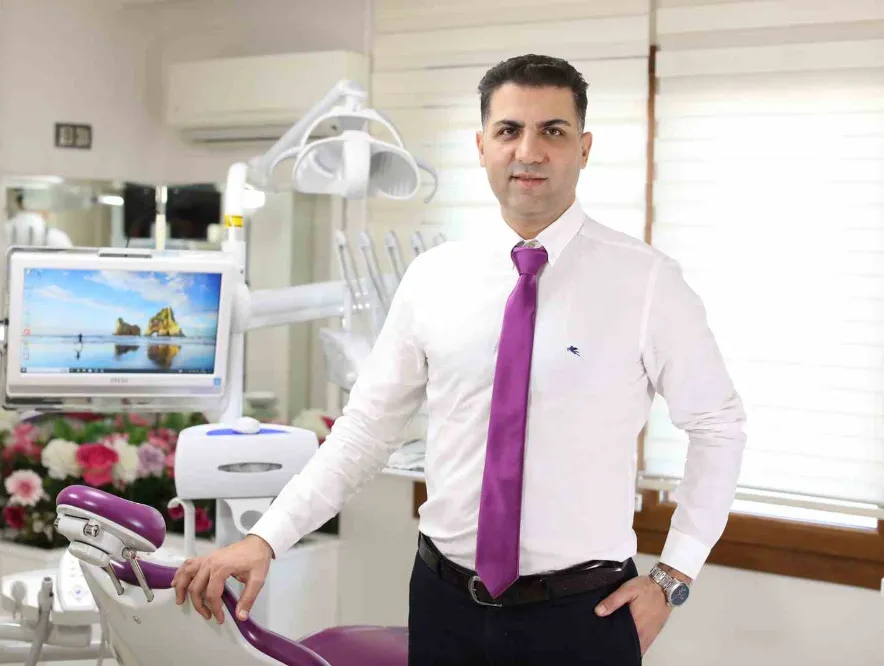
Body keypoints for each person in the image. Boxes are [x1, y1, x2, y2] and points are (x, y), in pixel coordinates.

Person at [172, 54, 746, 664]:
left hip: (583, 615)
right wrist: (267, 537)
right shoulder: (434, 277)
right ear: (481, 146)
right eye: (509, 130)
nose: (528, 151)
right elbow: (364, 431)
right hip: (444, 605)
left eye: (552, 131)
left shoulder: (647, 281)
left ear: (584, 148)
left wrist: (673, 575)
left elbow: (718, 427)